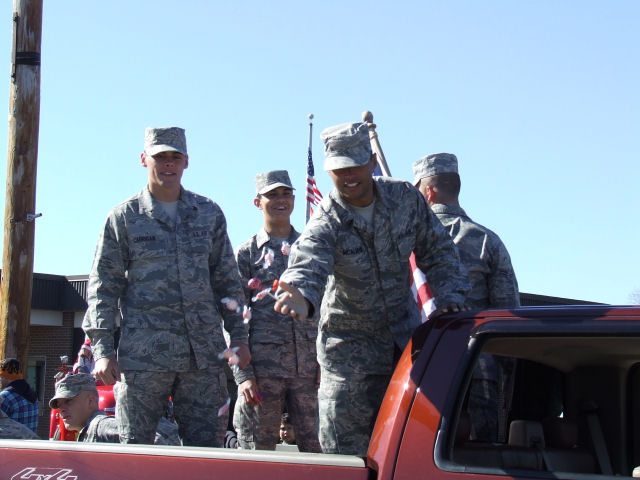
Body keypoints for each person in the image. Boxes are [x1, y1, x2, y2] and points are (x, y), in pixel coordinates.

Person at [274, 122, 470, 456]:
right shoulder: (327, 217)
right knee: (348, 457)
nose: (348, 175)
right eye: (338, 169)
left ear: (370, 162)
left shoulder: (404, 199)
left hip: (404, 351)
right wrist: (301, 296)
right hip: (349, 360)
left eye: (355, 166)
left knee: (411, 450)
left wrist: (450, 298)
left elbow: (439, 251)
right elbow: (309, 261)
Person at [83, 127, 250, 446]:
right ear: (144, 159)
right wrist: (102, 350)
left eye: (175, 157)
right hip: (145, 360)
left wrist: (239, 338)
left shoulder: (209, 214)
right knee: (137, 450)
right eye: (161, 157)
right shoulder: (124, 217)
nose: (168, 164)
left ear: (186, 162)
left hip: (202, 359)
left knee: (205, 454)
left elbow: (227, 282)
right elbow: (104, 287)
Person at [413, 152, 520, 442]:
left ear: (429, 192)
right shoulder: (488, 241)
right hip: (479, 368)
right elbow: (509, 318)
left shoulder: (407, 243)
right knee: (482, 459)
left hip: (420, 367)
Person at [233, 170, 321, 452]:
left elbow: (326, 306)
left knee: (320, 453)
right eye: (272, 194)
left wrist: (324, 362)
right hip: (263, 371)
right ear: (258, 202)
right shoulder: (247, 253)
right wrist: (243, 375)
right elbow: (234, 316)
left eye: (286, 193)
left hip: (308, 371)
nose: (280, 200)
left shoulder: (311, 249)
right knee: (257, 454)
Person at [50, 373, 179, 444]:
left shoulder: (102, 427)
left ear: (91, 401)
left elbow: (155, 441)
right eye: (59, 404)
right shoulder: (90, 430)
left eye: (68, 401)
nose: (62, 409)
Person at [0, 358, 39, 434]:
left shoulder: (5, 396)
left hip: (11, 444)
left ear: (6, 377)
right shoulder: (32, 393)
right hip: (32, 443)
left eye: (0, 376)